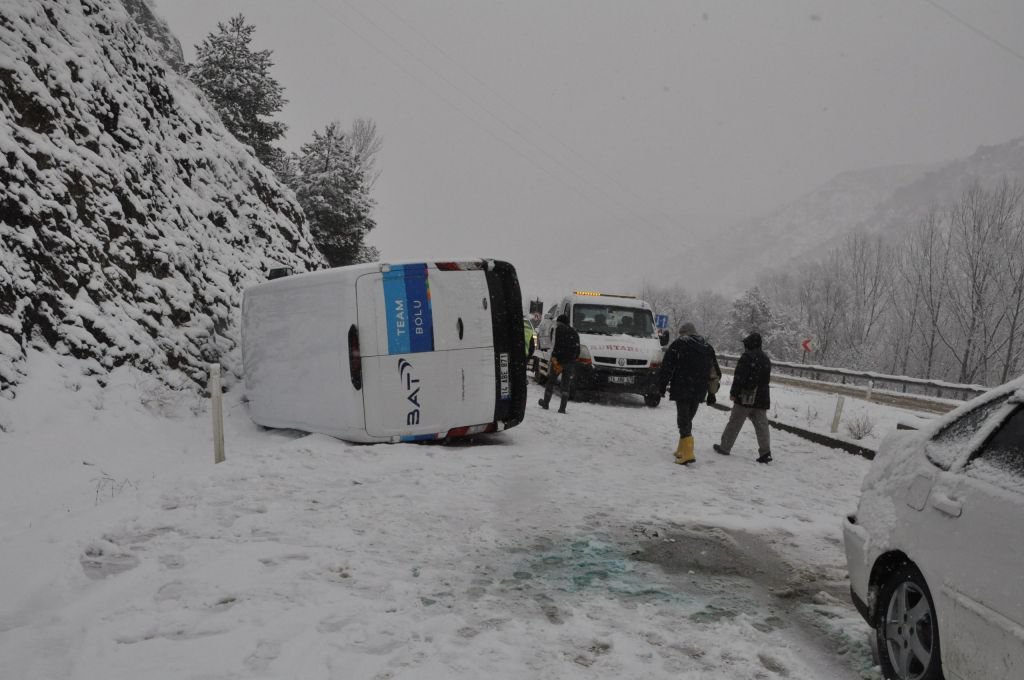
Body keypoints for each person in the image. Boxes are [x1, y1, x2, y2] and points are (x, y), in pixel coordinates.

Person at [655, 322, 719, 465]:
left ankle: (688, 453)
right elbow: (714, 371)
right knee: (688, 418)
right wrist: (712, 393)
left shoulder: (679, 344)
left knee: (683, 419)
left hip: (683, 386)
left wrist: (661, 386)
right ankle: (682, 448)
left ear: (684, 333)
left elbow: (667, 366)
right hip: (699, 389)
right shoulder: (707, 347)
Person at [714, 332, 773, 463]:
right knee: (762, 426)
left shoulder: (747, 357)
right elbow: (766, 380)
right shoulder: (765, 359)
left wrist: (734, 393)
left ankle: (725, 447)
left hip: (746, 397)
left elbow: (740, 377)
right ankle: (765, 452)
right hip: (762, 398)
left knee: (735, 422)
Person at [539, 314, 580, 413]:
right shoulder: (575, 333)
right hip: (569, 362)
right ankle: (562, 408)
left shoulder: (558, 329)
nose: (556, 323)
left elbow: (554, 345)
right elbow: (577, 349)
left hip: (558, 361)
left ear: (560, 322)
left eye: (558, 322)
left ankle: (546, 403)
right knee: (565, 386)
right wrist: (573, 359)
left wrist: (553, 358)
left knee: (551, 382)